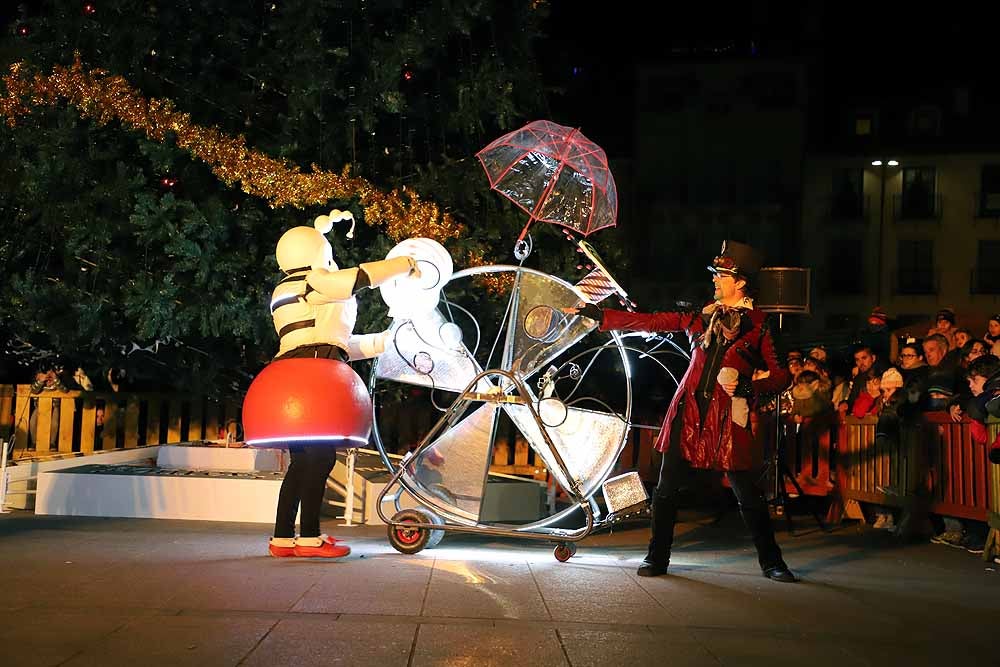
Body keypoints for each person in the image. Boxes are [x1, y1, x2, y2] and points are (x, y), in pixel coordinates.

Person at [567, 240, 795, 582]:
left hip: (727, 418)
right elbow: (652, 320)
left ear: (741, 282)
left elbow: (782, 376)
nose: (715, 280)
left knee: (747, 493)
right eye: (716, 274)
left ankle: (773, 562)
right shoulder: (698, 317)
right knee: (665, 488)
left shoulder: (759, 325)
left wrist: (750, 388)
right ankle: (656, 558)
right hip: (687, 414)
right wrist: (601, 315)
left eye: (722, 275)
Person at [253, 210, 423, 559]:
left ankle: (284, 537)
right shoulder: (312, 281)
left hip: (297, 375)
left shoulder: (290, 290)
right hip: (311, 376)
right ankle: (309, 538)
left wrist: (384, 341)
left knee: (304, 461)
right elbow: (355, 280)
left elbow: (338, 342)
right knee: (319, 456)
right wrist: (402, 264)